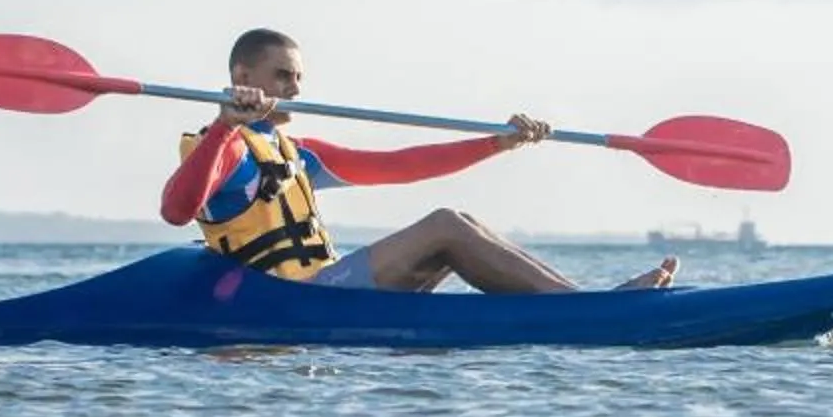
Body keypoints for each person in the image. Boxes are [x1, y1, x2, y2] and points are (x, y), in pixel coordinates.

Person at [158, 29, 677, 293]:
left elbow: (404, 165)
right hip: (292, 299)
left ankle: (577, 302)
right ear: (243, 76)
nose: (295, 88)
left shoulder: (300, 153)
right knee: (445, 226)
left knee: (461, 223)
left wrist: (495, 144)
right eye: (282, 76)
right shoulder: (222, 145)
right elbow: (177, 211)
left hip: (325, 287)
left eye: (298, 78)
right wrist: (226, 124)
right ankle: (584, 309)